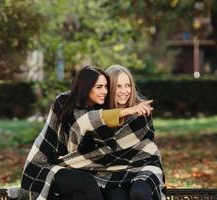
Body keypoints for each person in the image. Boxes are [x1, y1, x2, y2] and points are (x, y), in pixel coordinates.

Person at [18, 65, 155, 200]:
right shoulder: (64, 101)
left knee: (80, 195)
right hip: (44, 166)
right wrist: (127, 111)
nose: (105, 91)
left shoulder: (96, 108)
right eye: (99, 87)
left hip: (72, 169)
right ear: (86, 87)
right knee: (87, 182)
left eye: (106, 87)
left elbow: (101, 146)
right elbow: (83, 121)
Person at [102, 64, 166, 200]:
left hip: (144, 165)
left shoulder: (141, 111)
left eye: (128, 85)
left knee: (139, 193)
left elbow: (146, 146)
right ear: (109, 88)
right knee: (116, 197)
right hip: (112, 170)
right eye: (118, 86)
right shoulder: (99, 116)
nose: (124, 91)